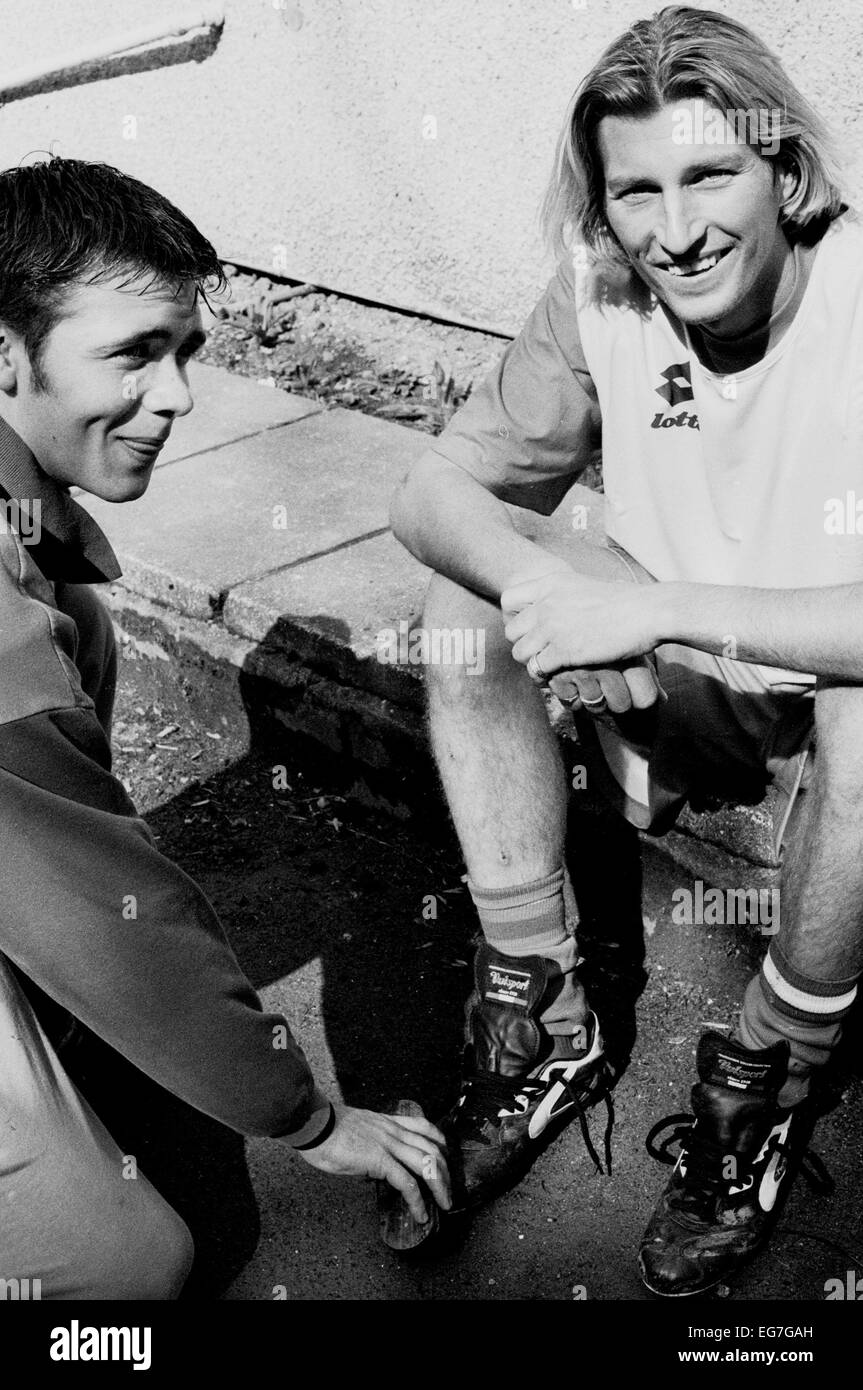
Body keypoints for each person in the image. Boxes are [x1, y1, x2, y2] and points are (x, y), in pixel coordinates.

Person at [391, 4, 862, 1296]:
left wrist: (648, 611)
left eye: (709, 174)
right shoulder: (598, 294)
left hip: (813, 677)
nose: (675, 230)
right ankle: (540, 1009)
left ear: (783, 171)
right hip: (677, 681)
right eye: (634, 191)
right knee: (463, 603)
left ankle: (762, 1074)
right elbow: (427, 499)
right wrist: (550, 584)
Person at [0, 155, 450, 1301]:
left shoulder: (36, 560)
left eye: (184, 352)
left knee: (83, 628)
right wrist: (302, 1118)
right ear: (5, 358)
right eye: (133, 353)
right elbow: (111, 916)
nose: (180, 396)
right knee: (120, 1270)